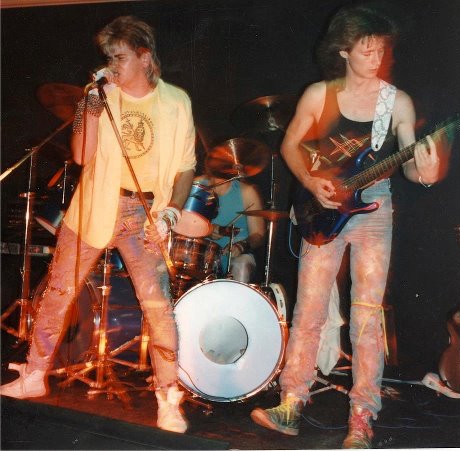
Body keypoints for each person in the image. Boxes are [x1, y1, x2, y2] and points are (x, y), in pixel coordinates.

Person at [250, 2, 449, 448]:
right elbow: (290, 145)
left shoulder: (396, 101)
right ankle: (291, 403)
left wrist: (425, 171)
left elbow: (410, 165)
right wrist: (311, 182)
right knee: (309, 309)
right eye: (366, 50)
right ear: (343, 50)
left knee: (366, 314)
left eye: (381, 50)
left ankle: (362, 418)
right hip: (323, 206)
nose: (376, 58)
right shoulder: (319, 95)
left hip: (374, 209)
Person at [0, 16, 196, 434]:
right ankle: (34, 375)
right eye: (108, 57)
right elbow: (82, 155)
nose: (112, 65)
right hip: (94, 204)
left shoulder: (177, 102)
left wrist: (172, 211)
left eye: (119, 57)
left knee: (158, 307)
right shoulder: (100, 97)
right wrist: (88, 103)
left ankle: (168, 398)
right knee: (57, 292)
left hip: (145, 212)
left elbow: (186, 167)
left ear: (145, 57)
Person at [197, 170, 266, 283]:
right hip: (201, 255)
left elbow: (258, 235)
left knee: (242, 264)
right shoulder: (197, 186)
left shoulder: (247, 192)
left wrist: (241, 246)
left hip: (237, 256)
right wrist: (206, 230)